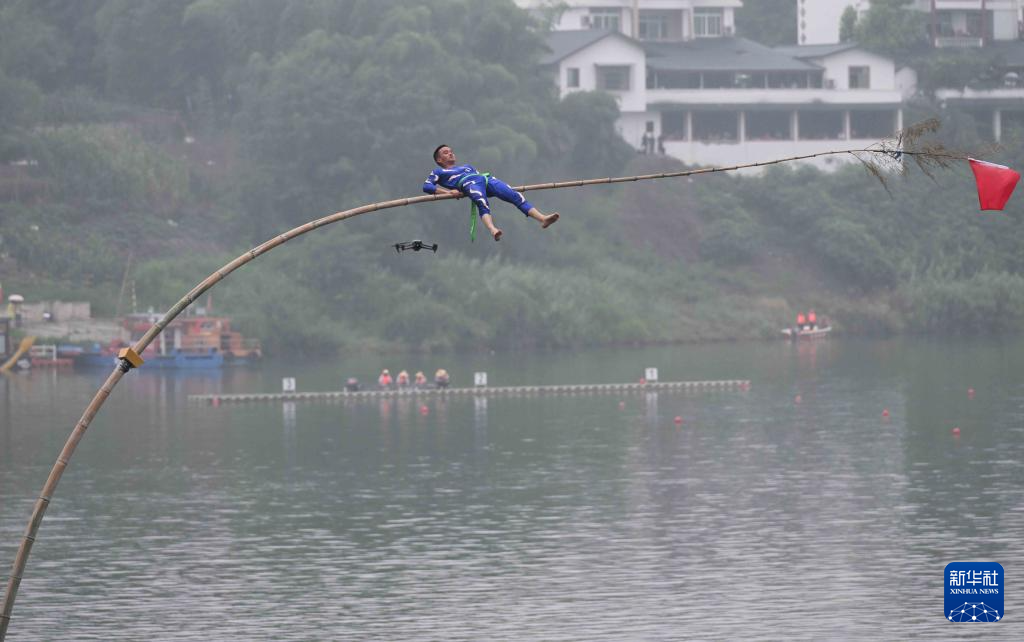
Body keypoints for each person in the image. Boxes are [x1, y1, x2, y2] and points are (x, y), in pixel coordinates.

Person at [423, 145, 559, 241]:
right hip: (469, 183)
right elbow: (427, 186)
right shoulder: (438, 171)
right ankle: (493, 229)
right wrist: (448, 193)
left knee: (515, 195)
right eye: (445, 153)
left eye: (451, 151)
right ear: (439, 160)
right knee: (482, 202)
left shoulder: (467, 166)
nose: (450, 153)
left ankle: (542, 218)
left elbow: (480, 178)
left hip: (486, 179)